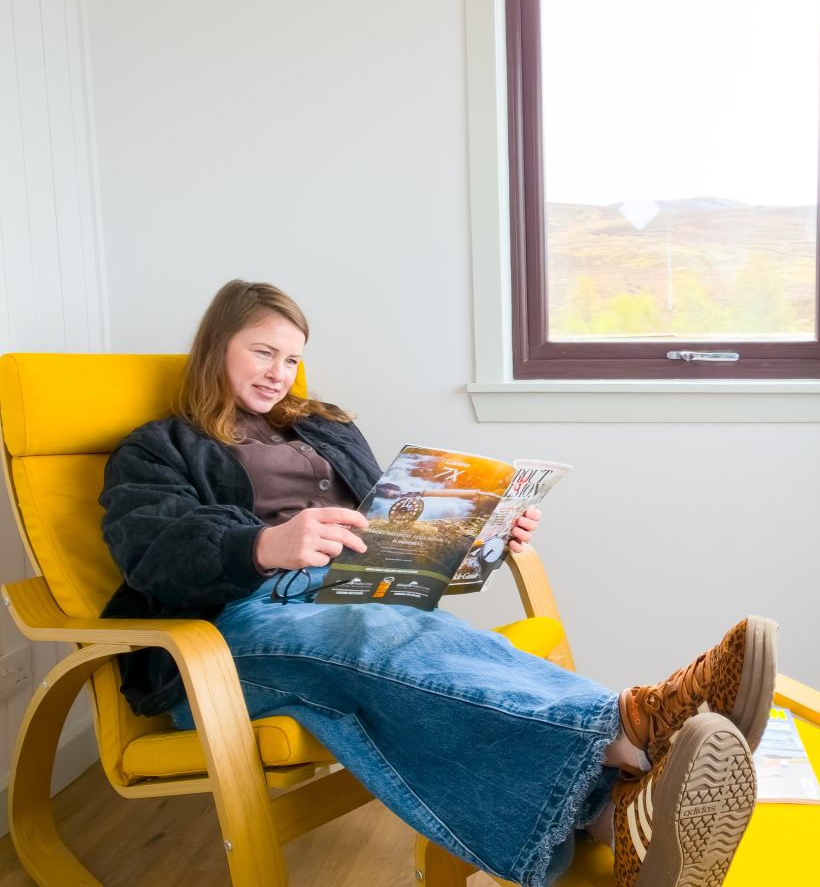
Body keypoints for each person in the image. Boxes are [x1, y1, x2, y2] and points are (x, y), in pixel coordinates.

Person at [99, 280, 778, 887]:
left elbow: (388, 535)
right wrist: (263, 544)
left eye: (292, 357)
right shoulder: (160, 447)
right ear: (216, 346)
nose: (280, 373)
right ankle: (632, 722)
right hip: (231, 635)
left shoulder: (323, 430)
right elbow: (148, 551)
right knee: (381, 637)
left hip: (354, 600)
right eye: (262, 353)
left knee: (433, 639)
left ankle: (617, 822)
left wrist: (480, 540)